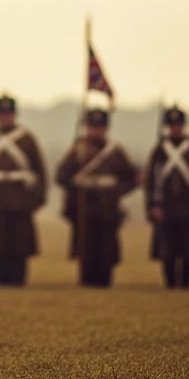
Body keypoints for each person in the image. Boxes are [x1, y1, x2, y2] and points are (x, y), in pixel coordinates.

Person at [55, 108, 139, 288]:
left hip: (107, 208)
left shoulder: (115, 152)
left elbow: (132, 178)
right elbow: (61, 176)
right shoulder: (77, 150)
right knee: (86, 247)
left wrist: (117, 191)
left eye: (99, 127)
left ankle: (105, 279)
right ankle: (86, 279)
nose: (95, 131)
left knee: (106, 248)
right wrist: (76, 185)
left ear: (106, 128)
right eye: (92, 127)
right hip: (84, 207)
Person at [0, 95, 47, 287]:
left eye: (9, 114)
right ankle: (0, 276)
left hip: (21, 198)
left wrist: (39, 197)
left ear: (15, 114)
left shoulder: (27, 139)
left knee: (20, 242)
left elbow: (39, 169)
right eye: (2, 114)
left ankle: (18, 277)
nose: (6, 117)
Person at [144, 106, 189, 289]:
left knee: (188, 251)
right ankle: (170, 283)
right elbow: (151, 182)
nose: (175, 128)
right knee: (167, 252)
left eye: (178, 124)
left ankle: (186, 283)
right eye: (172, 125)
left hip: (188, 208)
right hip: (165, 208)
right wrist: (152, 206)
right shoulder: (159, 151)